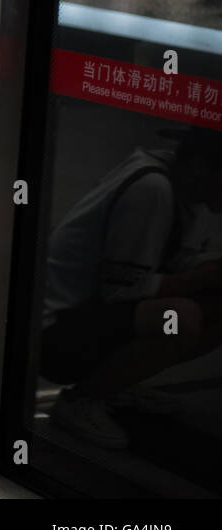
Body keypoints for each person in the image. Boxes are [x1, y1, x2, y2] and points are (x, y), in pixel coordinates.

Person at [40, 128, 222, 448]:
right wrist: (203, 277)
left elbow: (177, 260)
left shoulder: (190, 193)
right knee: (180, 319)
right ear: (201, 168)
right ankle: (82, 399)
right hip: (56, 335)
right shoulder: (152, 189)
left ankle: (117, 379)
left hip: (94, 317)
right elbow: (121, 291)